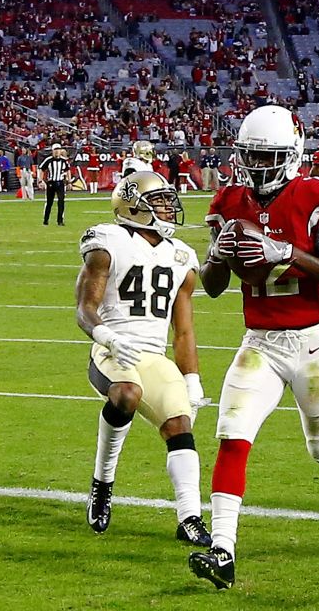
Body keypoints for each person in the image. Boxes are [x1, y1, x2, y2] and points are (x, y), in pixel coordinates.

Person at [189, 105, 319, 590]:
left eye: (268, 157)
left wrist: (290, 253)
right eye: (251, 157)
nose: (256, 167)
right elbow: (213, 287)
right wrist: (217, 252)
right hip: (259, 341)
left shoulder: (316, 196)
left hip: (309, 341)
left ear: (291, 154)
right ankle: (222, 550)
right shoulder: (230, 200)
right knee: (232, 434)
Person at [75, 171, 211, 548]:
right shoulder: (108, 242)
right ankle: (103, 484)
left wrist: (193, 379)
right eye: (161, 200)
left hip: (153, 355)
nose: (170, 207)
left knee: (180, 422)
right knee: (127, 393)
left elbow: (183, 331)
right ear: (133, 205)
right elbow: (85, 308)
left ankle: (190, 518)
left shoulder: (181, 255)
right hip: (112, 349)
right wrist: (107, 336)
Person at [39, 143, 71, 226]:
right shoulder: (48, 160)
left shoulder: (64, 161)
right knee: (49, 202)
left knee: (61, 201)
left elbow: (68, 170)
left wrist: (69, 181)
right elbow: (42, 169)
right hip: (51, 183)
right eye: (55, 150)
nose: (57, 152)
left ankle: (60, 220)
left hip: (60, 183)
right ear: (52, 151)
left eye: (58, 150)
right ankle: (46, 220)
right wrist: (40, 180)